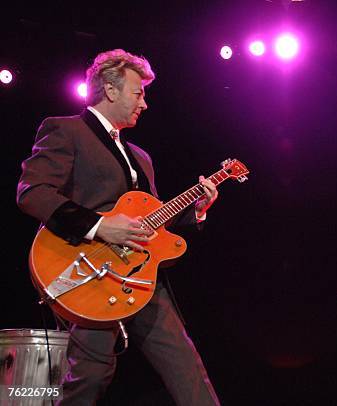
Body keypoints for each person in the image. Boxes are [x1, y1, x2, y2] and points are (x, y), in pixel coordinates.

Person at [17, 49, 221, 405]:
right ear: (110, 90)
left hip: (141, 278)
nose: (145, 103)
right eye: (138, 92)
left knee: (187, 369)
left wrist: (196, 211)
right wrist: (98, 227)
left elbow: (153, 218)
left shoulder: (141, 156)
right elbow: (32, 192)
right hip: (89, 272)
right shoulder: (66, 130)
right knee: (91, 376)